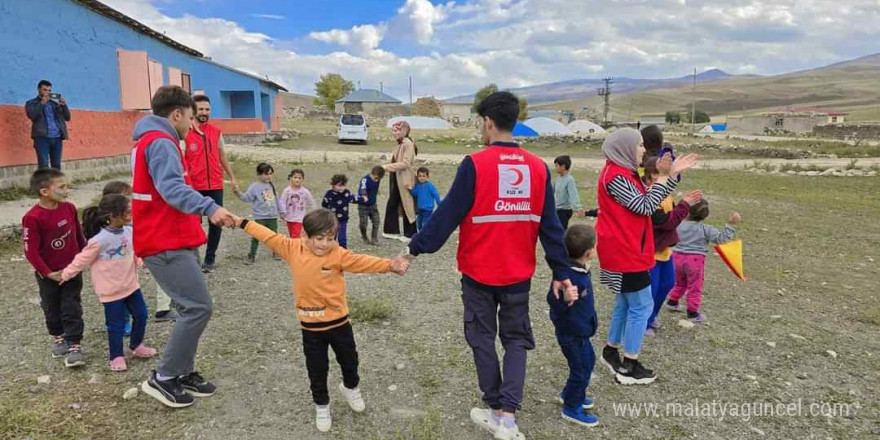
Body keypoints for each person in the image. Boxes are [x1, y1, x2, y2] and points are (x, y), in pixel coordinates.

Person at [402, 91, 578, 440]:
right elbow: (551, 229)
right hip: (517, 277)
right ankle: (508, 419)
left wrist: (413, 250)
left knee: (481, 338)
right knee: (515, 340)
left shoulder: (475, 164)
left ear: (487, 122)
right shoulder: (538, 168)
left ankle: (496, 408)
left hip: (479, 276)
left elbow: (446, 216)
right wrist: (562, 274)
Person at [232, 209, 410, 433]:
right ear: (305, 235)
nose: (324, 244)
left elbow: (362, 261)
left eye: (330, 238)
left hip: (339, 323)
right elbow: (266, 234)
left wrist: (389, 265)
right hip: (311, 328)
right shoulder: (292, 248)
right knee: (317, 369)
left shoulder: (338, 254)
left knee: (350, 361)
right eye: (319, 238)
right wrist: (241, 222)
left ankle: (351, 388)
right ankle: (322, 406)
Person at [132, 85, 236, 408]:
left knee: (189, 308)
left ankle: (182, 371)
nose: (193, 125)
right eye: (190, 118)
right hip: (163, 240)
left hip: (174, 236)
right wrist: (211, 207)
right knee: (198, 307)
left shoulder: (150, 140)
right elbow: (172, 189)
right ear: (176, 114)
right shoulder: (161, 142)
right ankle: (163, 377)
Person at [595, 128, 698, 386]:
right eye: (639, 145)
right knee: (641, 306)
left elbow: (647, 199)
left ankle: (610, 351)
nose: (643, 149)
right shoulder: (616, 176)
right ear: (625, 148)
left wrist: (670, 176)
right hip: (626, 251)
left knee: (626, 304)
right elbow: (644, 206)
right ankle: (629, 365)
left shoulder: (624, 172)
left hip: (629, 249)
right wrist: (664, 177)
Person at [60, 194, 158, 371]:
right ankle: (116, 356)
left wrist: (139, 261)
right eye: (127, 212)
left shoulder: (129, 230)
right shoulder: (99, 240)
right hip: (110, 291)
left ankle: (135, 346)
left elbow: (133, 249)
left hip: (131, 285)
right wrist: (66, 274)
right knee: (115, 325)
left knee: (142, 315)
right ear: (112, 216)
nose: (131, 214)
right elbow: (82, 259)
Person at [22, 168, 87, 368]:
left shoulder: (69, 208)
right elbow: (30, 251)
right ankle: (58, 336)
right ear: (45, 191)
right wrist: (48, 273)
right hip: (48, 274)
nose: (66, 190)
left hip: (71, 270)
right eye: (62, 187)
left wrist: (84, 257)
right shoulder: (32, 218)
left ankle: (74, 343)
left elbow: (78, 236)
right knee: (51, 306)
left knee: (72, 305)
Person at [640, 158, 702, 336]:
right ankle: (644, 321)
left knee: (667, 283)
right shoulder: (650, 197)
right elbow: (666, 222)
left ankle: (652, 316)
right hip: (652, 252)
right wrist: (685, 205)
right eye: (665, 171)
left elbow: (673, 219)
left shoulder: (665, 195)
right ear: (653, 175)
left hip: (665, 250)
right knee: (652, 288)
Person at [546, 224, 600, 427]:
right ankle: (571, 407)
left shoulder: (579, 267)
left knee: (587, 362)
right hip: (572, 334)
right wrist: (562, 298)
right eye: (595, 246)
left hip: (582, 331)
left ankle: (570, 393)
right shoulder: (566, 276)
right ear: (588, 253)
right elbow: (552, 299)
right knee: (581, 370)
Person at [184, 95, 237, 272]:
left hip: (215, 184)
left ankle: (210, 258)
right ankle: (193, 258)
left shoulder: (216, 131)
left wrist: (232, 177)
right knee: (193, 224)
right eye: (201, 109)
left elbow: (222, 155)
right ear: (193, 111)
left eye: (207, 109)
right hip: (195, 186)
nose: (204, 113)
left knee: (217, 223)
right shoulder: (186, 133)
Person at [666, 201, 741, 322]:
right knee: (695, 286)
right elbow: (721, 239)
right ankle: (692, 313)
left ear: (687, 211)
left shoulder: (678, 224)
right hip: (695, 261)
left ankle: (672, 301)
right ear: (705, 215)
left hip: (676, 258)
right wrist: (731, 224)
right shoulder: (706, 229)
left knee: (680, 282)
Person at [234, 163, 282, 264]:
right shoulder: (254, 187)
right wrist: (237, 192)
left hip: (272, 216)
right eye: (266, 174)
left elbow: (276, 199)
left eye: (271, 173)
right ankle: (251, 255)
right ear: (259, 174)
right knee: (256, 236)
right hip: (260, 217)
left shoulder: (271, 185)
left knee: (274, 235)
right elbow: (246, 198)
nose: (269, 176)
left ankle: (276, 251)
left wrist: (281, 211)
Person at [382, 121, 418, 242]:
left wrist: (386, 167)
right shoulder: (400, 144)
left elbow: (406, 163)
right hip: (397, 177)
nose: (394, 133)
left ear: (404, 131)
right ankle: (391, 231)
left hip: (406, 178)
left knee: (407, 205)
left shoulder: (408, 144)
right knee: (393, 202)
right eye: (393, 130)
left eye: (397, 130)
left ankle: (411, 233)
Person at [25, 80, 70, 169]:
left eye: (49, 90)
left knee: (56, 165)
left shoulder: (54, 104)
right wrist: (42, 103)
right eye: (45, 90)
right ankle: (43, 183)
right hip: (42, 138)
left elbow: (67, 117)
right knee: (43, 165)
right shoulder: (31, 103)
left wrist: (64, 105)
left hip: (57, 138)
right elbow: (32, 115)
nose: (47, 92)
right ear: (38, 89)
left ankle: (56, 183)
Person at [553, 155, 596, 229]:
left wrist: (578, 207)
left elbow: (573, 194)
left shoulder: (569, 180)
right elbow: (553, 192)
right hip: (556, 209)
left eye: (556, 166)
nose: (555, 168)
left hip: (564, 210)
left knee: (561, 230)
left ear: (563, 166)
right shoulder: (558, 178)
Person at [322, 174, 357, 249]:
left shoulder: (346, 193)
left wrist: (363, 199)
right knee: (331, 237)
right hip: (332, 220)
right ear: (333, 185)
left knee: (342, 239)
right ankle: (329, 250)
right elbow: (324, 204)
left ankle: (344, 253)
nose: (342, 187)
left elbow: (353, 198)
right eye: (339, 185)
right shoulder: (329, 194)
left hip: (343, 220)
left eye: (343, 185)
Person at [279, 169, 317, 238]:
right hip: (289, 218)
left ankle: (296, 248)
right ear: (290, 178)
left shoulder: (305, 191)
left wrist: (314, 212)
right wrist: (283, 212)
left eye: (299, 178)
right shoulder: (287, 191)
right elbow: (282, 202)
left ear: (303, 180)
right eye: (295, 177)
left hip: (300, 219)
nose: (297, 180)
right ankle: (296, 247)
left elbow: (311, 201)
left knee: (295, 236)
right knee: (292, 235)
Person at [357, 165, 385, 245]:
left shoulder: (377, 179)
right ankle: (364, 237)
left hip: (373, 204)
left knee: (376, 221)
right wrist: (364, 195)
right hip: (363, 205)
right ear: (372, 174)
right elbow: (362, 188)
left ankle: (374, 238)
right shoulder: (365, 180)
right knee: (363, 223)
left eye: (378, 179)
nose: (376, 181)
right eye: (375, 178)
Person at [407, 167, 442, 231]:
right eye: (420, 176)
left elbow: (435, 194)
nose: (421, 178)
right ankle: (421, 233)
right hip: (420, 209)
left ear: (427, 177)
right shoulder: (417, 185)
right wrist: (410, 189)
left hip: (428, 209)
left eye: (424, 176)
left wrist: (439, 203)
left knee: (425, 223)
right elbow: (415, 193)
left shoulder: (430, 186)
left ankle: (426, 234)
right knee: (419, 223)